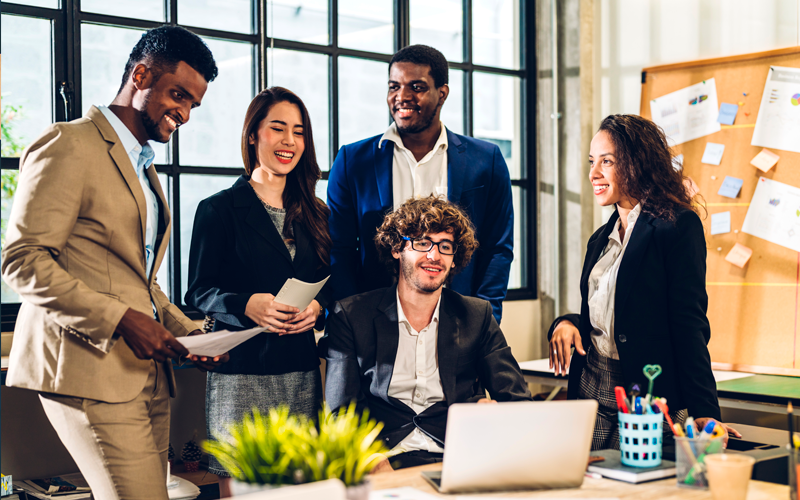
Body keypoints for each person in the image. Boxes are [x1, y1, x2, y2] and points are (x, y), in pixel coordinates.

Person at [1, 26, 224, 500]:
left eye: (193, 105)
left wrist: (188, 332)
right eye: (177, 95)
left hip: (146, 375)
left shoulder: (143, 165)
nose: (182, 113)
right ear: (140, 75)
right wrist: (122, 320)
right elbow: (22, 261)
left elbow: (136, 281)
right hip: (88, 368)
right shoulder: (69, 144)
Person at [547, 114, 740, 451]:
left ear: (637, 163)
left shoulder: (678, 227)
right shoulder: (600, 239)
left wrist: (705, 411)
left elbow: (688, 322)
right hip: (592, 392)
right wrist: (567, 322)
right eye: (593, 162)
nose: (594, 173)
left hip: (649, 397)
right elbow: (614, 316)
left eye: (607, 162)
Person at [185, 87, 331, 487]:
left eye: (299, 132)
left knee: (303, 487)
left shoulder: (318, 214)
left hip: (301, 372)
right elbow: (198, 291)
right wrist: (245, 304)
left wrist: (318, 309)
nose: (289, 141)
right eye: (278, 128)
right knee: (242, 485)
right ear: (253, 135)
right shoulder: (218, 209)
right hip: (240, 376)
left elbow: (333, 289)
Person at [323, 196, 531, 471]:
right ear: (397, 248)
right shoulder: (350, 315)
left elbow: (517, 401)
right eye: (422, 243)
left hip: (460, 458)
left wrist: (493, 420)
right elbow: (341, 413)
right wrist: (370, 458)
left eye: (445, 246)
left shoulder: (476, 315)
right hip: (385, 459)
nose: (434, 256)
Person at [327, 44, 513, 323]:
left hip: (458, 321)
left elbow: (497, 248)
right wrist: (347, 320)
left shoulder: (486, 161)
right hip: (375, 324)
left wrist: (485, 317)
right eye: (393, 87)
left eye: (416, 87)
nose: (401, 97)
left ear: (442, 93)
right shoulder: (352, 161)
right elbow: (338, 250)